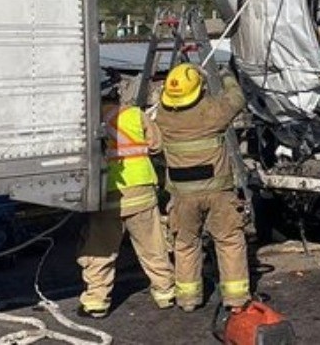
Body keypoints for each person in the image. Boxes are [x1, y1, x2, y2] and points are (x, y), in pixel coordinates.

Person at [155, 63, 252, 332]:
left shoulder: (163, 116)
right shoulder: (212, 112)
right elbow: (236, 99)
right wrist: (224, 75)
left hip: (182, 196)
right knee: (230, 241)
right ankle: (236, 298)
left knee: (185, 244)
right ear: (198, 91)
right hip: (218, 192)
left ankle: (188, 298)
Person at [76, 93, 176, 318]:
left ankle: (96, 301)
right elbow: (157, 145)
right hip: (140, 188)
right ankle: (165, 293)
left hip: (105, 193)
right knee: (152, 245)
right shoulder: (134, 114)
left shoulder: (87, 120)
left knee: (101, 249)